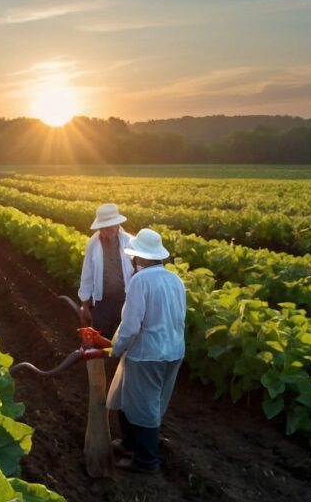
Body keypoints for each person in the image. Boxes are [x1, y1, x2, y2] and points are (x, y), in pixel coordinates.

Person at [106, 228, 186, 474]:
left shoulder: (140, 281)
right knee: (130, 397)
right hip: (174, 350)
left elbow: (131, 326)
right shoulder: (175, 280)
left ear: (140, 257)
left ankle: (146, 460)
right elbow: (180, 317)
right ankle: (130, 443)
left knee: (145, 406)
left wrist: (115, 350)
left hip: (148, 353)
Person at [77, 203, 134, 339]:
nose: (104, 231)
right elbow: (87, 274)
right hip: (103, 302)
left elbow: (138, 272)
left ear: (117, 225)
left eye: (109, 227)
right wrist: (85, 304)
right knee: (102, 340)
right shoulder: (93, 243)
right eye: (102, 228)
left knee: (125, 340)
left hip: (126, 300)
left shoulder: (130, 242)